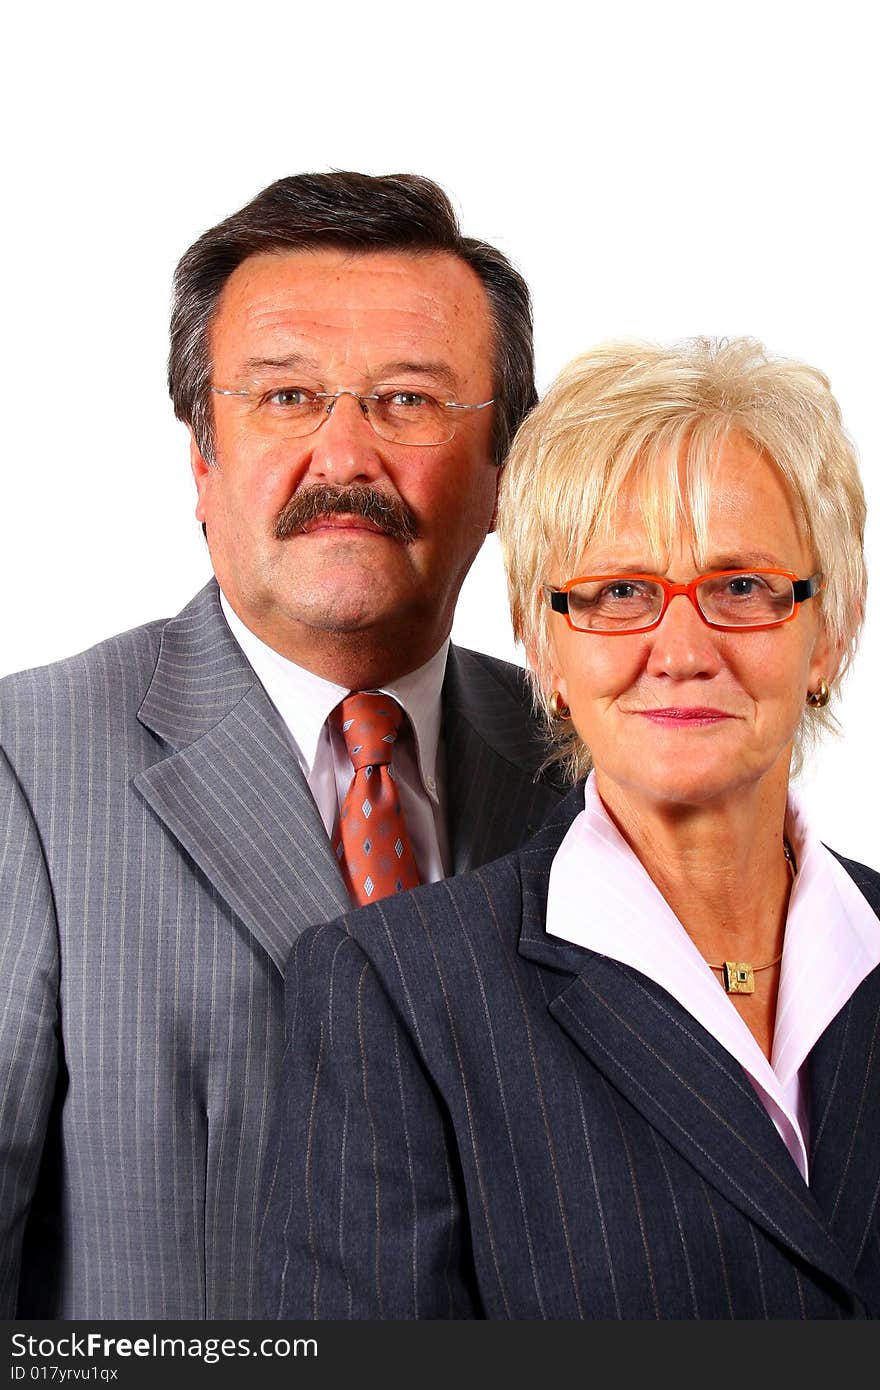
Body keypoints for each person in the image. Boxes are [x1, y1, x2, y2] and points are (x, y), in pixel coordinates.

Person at [0, 172, 565, 1319]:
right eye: (287, 397)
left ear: (508, 467)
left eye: (410, 401)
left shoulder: (587, 766)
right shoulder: (29, 765)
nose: (345, 456)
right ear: (202, 463)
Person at [261, 337, 880, 1319]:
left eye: (741, 586)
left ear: (830, 630)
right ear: (543, 647)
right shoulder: (395, 993)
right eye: (620, 592)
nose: (680, 650)